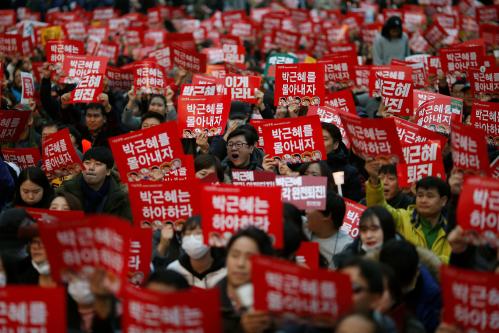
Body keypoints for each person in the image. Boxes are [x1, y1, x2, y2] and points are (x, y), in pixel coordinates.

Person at [366, 159, 452, 263]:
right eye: (420, 195)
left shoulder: (451, 229)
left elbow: (455, 262)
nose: (423, 200)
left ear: (443, 201)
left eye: (430, 196)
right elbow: (378, 208)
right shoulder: (402, 218)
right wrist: (375, 181)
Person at [217, 227, 274, 333]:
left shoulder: (274, 303)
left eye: (250, 258)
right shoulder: (210, 304)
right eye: (235, 255)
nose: (240, 264)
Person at [380, 240, 442, 333]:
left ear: (417, 271)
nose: (399, 293)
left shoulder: (434, 296)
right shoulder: (370, 285)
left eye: (404, 288)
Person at [58, 147, 132, 221]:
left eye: (98, 164)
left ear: (108, 171)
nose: (91, 168)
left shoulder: (122, 197)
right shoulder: (66, 190)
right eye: (87, 163)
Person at [338, 257, 397, 333]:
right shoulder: (322, 318)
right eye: (338, 285)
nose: (342, 293)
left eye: (353, 288)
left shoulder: (385, 326)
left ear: (375, 299)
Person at [166, 216, 226, 288]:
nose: (192, 239)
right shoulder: (174, 270)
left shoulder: (226, 271)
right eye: (188, 234)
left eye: (198, 233)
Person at [304, 190, 352, 269]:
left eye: (311, 207)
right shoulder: (300, 226)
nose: (306, 211)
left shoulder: (346, 247)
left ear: (327, 215)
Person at [322, 123, 363, 201]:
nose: (319, 142)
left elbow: (355, 204)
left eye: (324, 139)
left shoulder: (349, 172)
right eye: (316, 138)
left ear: (335, 144)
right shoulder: (304, 165)